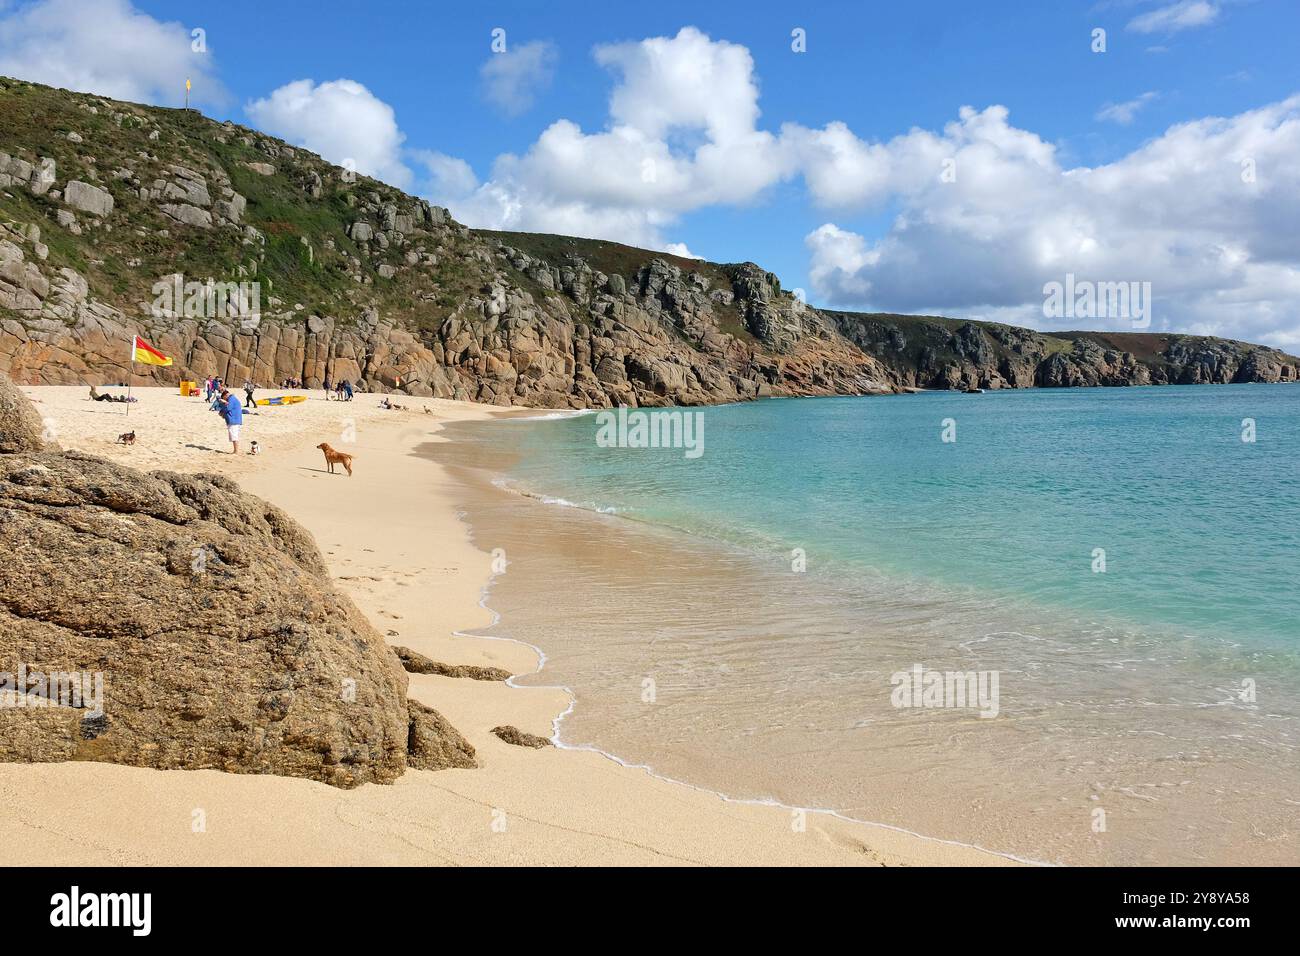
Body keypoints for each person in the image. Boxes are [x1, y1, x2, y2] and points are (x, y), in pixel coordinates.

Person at [216, 388, 244, 455]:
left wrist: (224, 403)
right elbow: (228, 408)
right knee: (233, 435)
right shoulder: (232, 399)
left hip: (234, 420)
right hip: (234, 419)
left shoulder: (231, 399)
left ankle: (236, 451)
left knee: (234, 435)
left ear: (225, 395)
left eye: (224, 398)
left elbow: (228, 408)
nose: (225, 400)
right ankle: (235, 450)